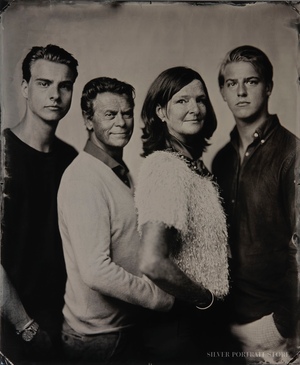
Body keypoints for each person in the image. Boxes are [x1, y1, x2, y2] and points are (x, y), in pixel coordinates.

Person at [57, 76, 174, 363]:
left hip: (121, 331)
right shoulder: (83, 179)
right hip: (98, 340)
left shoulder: (119, 171)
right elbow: (96, 270)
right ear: (88, 120)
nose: (121, 122)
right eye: (109, 114)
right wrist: (159, 298)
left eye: (126, 113)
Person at [134, 66, 229, 363]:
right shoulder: (165, 167)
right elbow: (152, 261)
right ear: (161, 111)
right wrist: (206, 300)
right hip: (181, 326)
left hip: (196, 324)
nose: (195, 109)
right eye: (182, 100)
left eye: (200, 100)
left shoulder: (189, 166)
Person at [212, 45, 300, 364]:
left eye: (251, 81)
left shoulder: (292, 153)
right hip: (229, 322)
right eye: (232, 83)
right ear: (222, 91)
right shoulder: (221, 159)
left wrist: (280, 325)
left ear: (269, 87)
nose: (241, 91)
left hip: (277, 329)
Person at [1, 44, 78, 362]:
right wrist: (25, 326)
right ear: (24, 88)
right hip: (10, 323)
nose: (55, 95)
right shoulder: (3, 154)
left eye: (65, 85)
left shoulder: (72, 160)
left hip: (63, 323)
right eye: (44, 83)